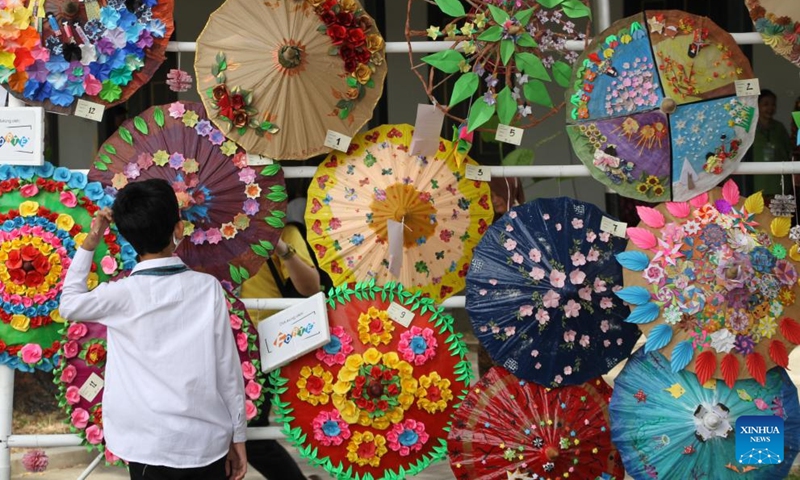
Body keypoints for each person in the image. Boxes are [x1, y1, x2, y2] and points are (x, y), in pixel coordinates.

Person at [60, 179, 247, 480]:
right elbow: (228, 369)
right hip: (205, 442)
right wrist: (238, 434)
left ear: (126, 235)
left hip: (145, 444)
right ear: (178, 229)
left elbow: (68, 304)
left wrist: (91, 242)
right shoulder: (207, 289)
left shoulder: (120, 294)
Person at [240, 216, 323, 480]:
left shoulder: (284, 229)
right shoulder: (202, 231)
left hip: (268, 342)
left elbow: (311, 287)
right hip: (219, 339)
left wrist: (280, 247)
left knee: (254, 435)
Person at [752, 89, 794, 197]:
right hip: (756, 186)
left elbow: (790, 152)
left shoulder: (779, 127)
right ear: (757, 105)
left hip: (780, 185)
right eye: (766, 104)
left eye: (773, 105)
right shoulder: (749, 129)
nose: (770, 108)